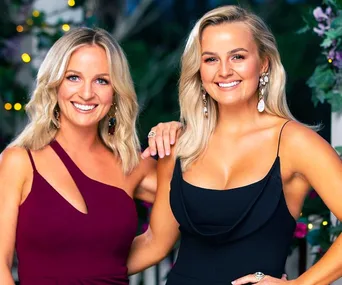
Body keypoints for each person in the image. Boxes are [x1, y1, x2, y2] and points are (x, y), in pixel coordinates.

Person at [127, 5, 342, 285]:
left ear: (263, 62)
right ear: (199, 69)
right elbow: (155, 242)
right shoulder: (181, 145)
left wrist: (300, 284)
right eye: (211, 59)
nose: (224, 71)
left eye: (237, 57)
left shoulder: (295, 143)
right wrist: (75, 270)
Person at [0, 27, 180, 285]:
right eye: (73, 77)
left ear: (116, 93)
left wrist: (176, 138)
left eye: (101, 80)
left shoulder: (132, 165)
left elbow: (165, 237)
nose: (86, 93)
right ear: (55, 84)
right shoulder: (18, 161)